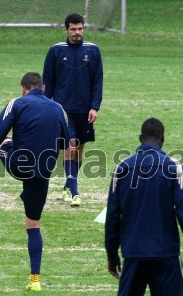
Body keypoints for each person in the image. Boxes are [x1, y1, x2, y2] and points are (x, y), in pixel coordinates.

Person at [105, 118, 183, 296]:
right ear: (162, 139)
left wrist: (112, 255)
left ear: (140, 139)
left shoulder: (122, 169)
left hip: (133, 254)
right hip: (166, 254)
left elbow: (112, 217)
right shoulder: (173, 168)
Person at [0, 72, 70, 291]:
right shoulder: (58, 108)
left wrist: (6, 141)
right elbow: (66, 143)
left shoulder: (17, 103)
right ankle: (35, 281)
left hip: (19, 166)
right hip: (43, 171)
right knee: (33, 225)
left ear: (23, 88)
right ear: (43, 87)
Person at [43, 12, 103, 208]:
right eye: (73, 29)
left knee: (79, 150)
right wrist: (46, 106)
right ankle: (75, 193)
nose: (77, 32)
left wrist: (95, 106)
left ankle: (68, 186)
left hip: (85, 110)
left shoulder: (93, 51)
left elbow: (97, 82)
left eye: (80, 29)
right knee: (70, 147)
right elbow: (48, 82)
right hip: (63, 110)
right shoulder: (55, 51)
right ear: (66, 29)